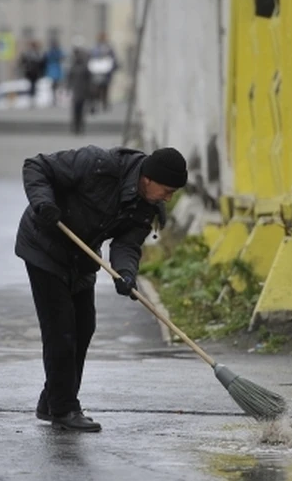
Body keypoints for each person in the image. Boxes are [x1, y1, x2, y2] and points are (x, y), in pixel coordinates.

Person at [15, 146, 188, 432]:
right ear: (148, 178)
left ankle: (51, 399)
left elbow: (126, 244)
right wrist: (43, 203)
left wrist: (126, 274)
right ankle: (64, 408)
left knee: (84, 326)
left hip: (82, 258)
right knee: (61, 328)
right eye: (167, 190)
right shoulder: (98, 164)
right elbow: (36, 166)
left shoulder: (147, 208)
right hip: (44, 245)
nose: (168, 198)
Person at [88, 33, 118, 113]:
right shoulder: (96, 48)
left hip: (104, 73)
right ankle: (101, 104)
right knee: (99, 90)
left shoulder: (106, 48)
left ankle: (103, 104)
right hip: (98, 72)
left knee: (103, 89)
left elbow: (113, 60)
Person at [66, 48, 91, 135]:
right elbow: (69, 79)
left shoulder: (84, 67)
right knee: (76, 110)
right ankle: (76, 127)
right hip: (77, 91)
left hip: (82, 91)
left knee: (80, 111)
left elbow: (89, 80)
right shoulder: (74, 67)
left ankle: (79, 127)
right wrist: (68, 87)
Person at [19, 40, 47, 104]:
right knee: (32, 85)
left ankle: (33, 97)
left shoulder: (38, 53)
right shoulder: (28, 54)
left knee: (34, 85)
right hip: (30, 72)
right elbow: (23, 62)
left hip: (35, 72)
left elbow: (42, 63)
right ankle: (32, 97)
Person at [44, 38, 66, 106]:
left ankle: (56, 98)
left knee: (56, 85)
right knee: (55, 85)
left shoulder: (55, 51)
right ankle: (54, 99)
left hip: (55, 69)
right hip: (53, 69)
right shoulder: (52, 51)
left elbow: (62, 57)